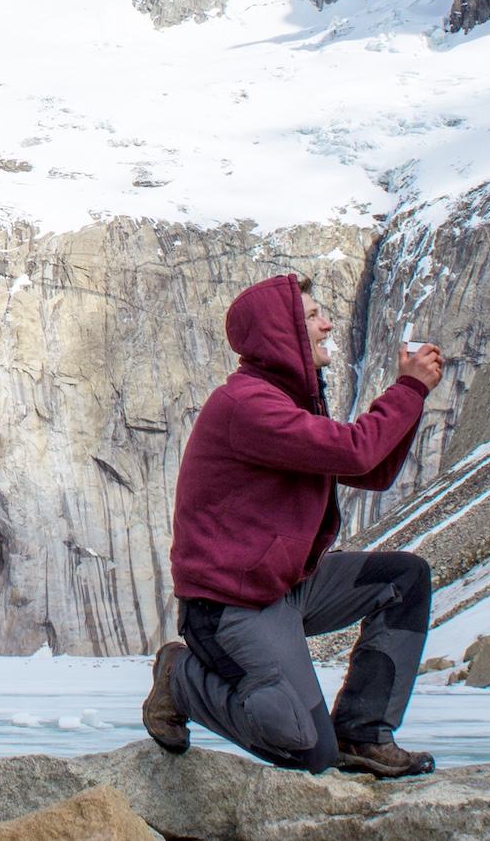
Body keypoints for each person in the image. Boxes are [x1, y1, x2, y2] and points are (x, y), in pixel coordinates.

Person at [142, 273, 443, 778]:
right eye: (311, 317)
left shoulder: (286, 402)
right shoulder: (248, 407)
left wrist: (410, 398)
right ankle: (181, 678)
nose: (328, 324)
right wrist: (409, 388)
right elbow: (356, 449)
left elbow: (372, 468)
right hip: (229, 605)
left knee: (403, 579)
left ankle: (363, 733)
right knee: (305, 750)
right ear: (277, 333)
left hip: (284, 587)